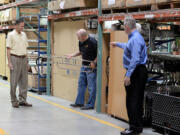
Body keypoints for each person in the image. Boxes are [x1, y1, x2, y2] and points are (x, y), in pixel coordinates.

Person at [110, 16, 148, 135]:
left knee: (132, 100)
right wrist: (118, 44)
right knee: (136, 99)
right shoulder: (134, 37)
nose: (123, 29)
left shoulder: (135, 39)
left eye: (123, 28)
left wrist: (128, 75)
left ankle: (134, 128)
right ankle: (137, 126)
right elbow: (128, 47)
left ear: (126, 27)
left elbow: (135, 59)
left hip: (136, 72)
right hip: (138, 71)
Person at [66, 29, 97, 110]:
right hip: (84, 66)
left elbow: (100, 53)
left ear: (83, 36)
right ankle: (79, 102)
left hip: (91, 67)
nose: (77, 38)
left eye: (78, 37)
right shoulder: (80, 42)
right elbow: (80, 52)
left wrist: (94, 62)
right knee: (81, 84)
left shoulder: (93, 42)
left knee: (91, 86)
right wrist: (72, 55)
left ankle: (90, 104)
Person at [7, 18, 32, 108]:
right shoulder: (11, 35)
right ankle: (14, 101)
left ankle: (22, 100)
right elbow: (8, 49)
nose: (22, 28)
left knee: (24, 81)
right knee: (14, 81)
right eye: (21, 26)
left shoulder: (24, 35)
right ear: (16, 25)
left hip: (23, 59)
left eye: (23, 26)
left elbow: (26, 49)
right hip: (14, 58)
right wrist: (9, 62)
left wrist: (27, 61)